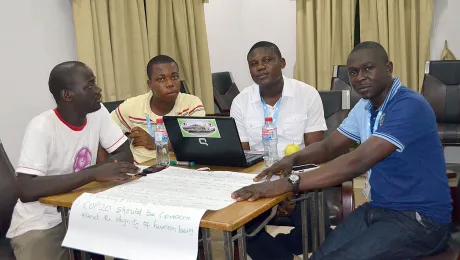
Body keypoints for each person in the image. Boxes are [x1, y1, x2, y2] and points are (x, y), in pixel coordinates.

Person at [232, 41, 452, 259]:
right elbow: (329, 147)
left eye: (368, 68)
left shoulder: (409, 105)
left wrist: (289, 184)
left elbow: (357, 161)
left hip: (421, 219)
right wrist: (292, 159)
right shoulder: (365, 107)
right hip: (378, 209)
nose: (360, 77)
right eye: (353, 72)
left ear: (388, 68)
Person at [6, 61, 139, 260]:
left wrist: (97, 170)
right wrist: (93, 173)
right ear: (67, 95)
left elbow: (125, 154)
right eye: (90, 85)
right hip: (42, 223)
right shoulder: (41, 127)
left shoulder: (98, 113)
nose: (98, 90)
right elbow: (26, 190)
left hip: (81, 213)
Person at [230, 41, 330, 260]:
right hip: (258, 179)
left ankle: (282, 248)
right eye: (254, 63)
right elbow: (243, 156)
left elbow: (316, 151)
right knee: (239, 226)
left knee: (318, 231)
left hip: (300, 178)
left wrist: (288, 188)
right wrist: (269, 190)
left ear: (282, 63)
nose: (260, 67)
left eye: (267, 60)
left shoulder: (307, 95)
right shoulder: (241, 102)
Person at [110, 55, 206, 164]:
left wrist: (156, 143)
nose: (170, 84)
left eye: (174, 77)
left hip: (180, 168)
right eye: (161, 79)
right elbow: (104, 134)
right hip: (141, 171)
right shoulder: (131, 107)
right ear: (150, 84)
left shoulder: (191, 104)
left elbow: (197, 143)